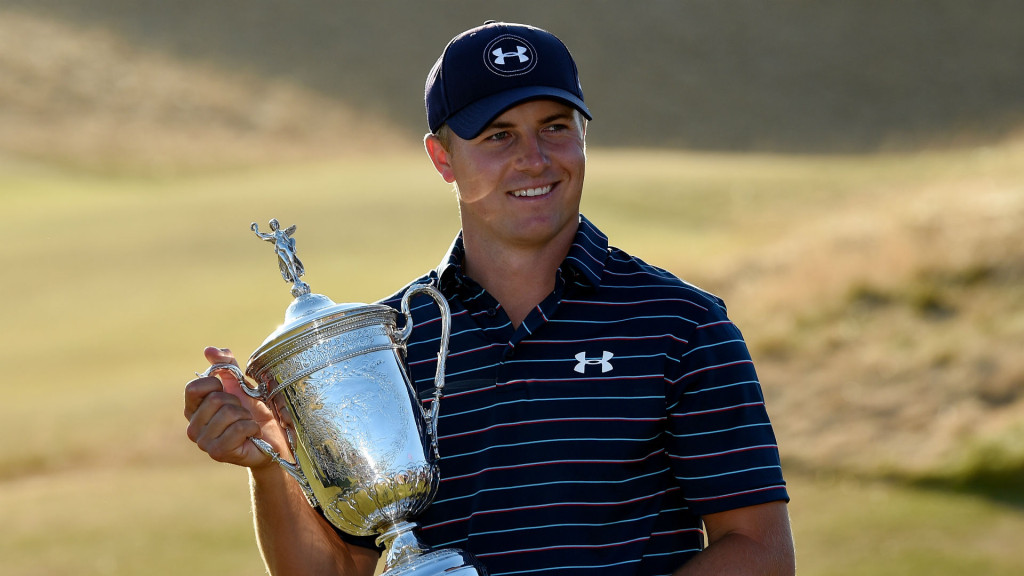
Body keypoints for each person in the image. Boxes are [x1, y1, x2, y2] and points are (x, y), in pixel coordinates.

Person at [184, 21, 796, 576]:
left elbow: (760, 549)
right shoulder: (385, 346)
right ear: (442, 158)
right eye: (499, 135)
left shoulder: (681, 323)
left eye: (555, 127)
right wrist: (270, 461)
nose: (534, 160)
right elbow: (340, 571)